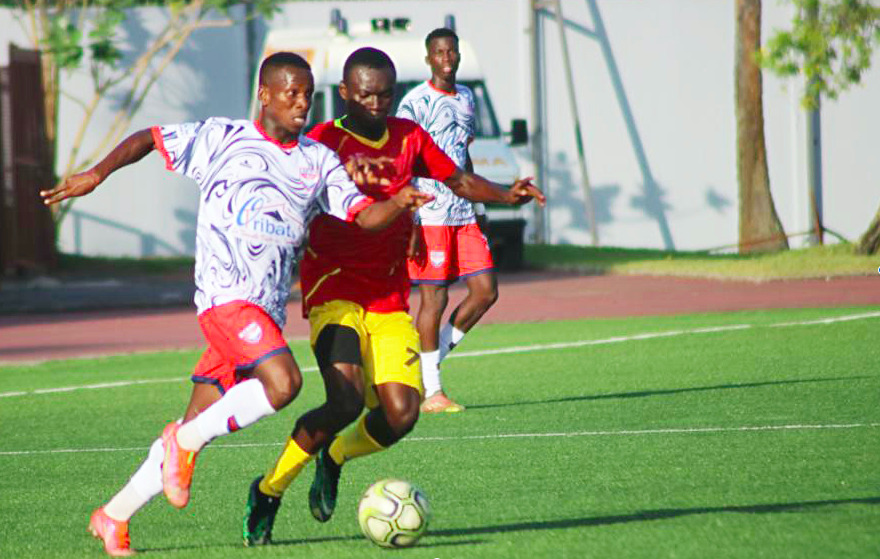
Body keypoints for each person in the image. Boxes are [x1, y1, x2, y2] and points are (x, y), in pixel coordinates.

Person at [40, 52, 431, 558]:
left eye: (307, 95)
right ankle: (183, 445)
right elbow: (148, 139)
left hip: (264, 315)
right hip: (225, 300)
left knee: (193, 426)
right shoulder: (221, 138)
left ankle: (113, 515)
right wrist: (97, 174)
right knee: (285, 383)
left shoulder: (317, 159)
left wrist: (398, 204)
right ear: (264, 94)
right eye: (290, 93)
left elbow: (361, 216)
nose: (301, 103)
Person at [242, 46, 544, 546]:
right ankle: (269, 491)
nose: (377, 103)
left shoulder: (410, 138)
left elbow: (459, 179)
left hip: (387, 295)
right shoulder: (322, 141)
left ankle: (334, 457)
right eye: (366, 95)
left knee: (402, 413)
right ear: (345, 94)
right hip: (334, 289)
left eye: (385, 94)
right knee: (342, 401)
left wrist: (505, 194)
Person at [397, 27, 499, 413]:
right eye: (439, 52)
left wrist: (480, 207)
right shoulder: (415, 103)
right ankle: (432, 392)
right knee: (434, 299)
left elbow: (463, 157)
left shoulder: (468, 98)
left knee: (486, 291)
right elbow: (402, 163)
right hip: (430, 213)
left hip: (462, 212)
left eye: (452, 52)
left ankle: (425, 364)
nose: (447, 58)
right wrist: (410, 218)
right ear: (429, 58)